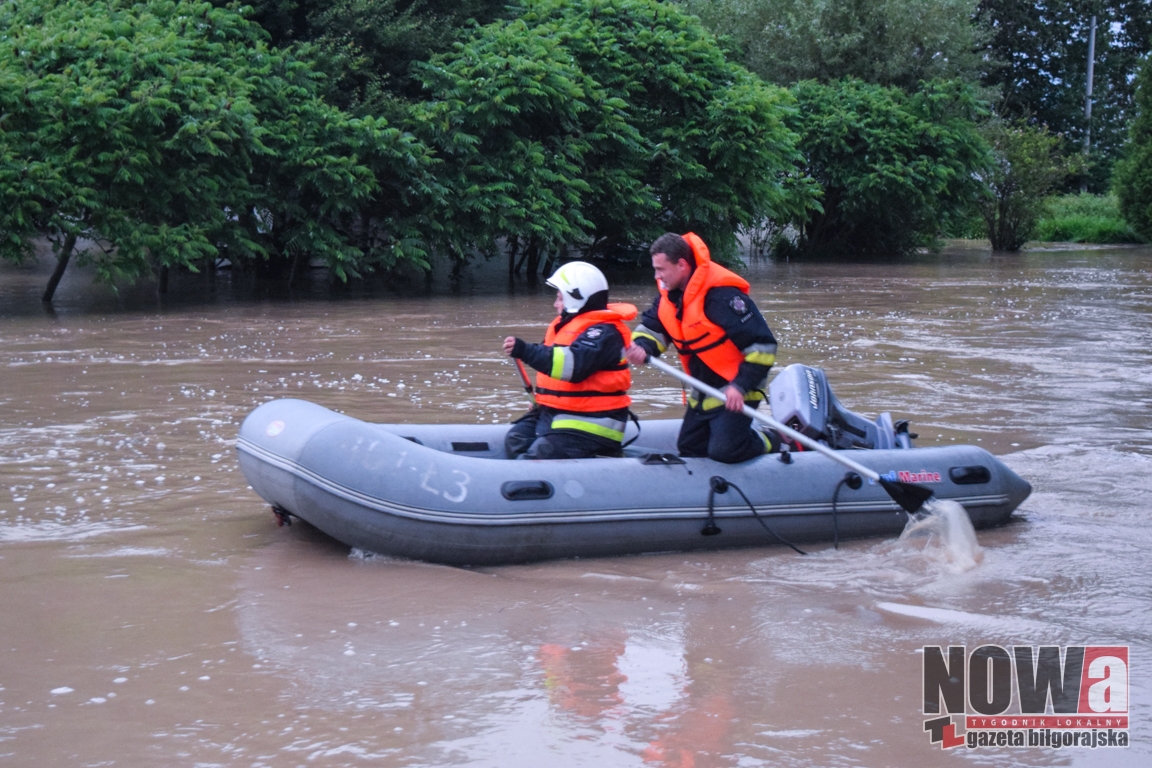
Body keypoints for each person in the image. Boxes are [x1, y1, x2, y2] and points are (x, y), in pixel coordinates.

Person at [624, 232, 780, 463]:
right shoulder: (669, 297)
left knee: (725, 451)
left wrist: (740, 386)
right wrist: (641, 347)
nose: (657, 276)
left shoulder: (722, 298)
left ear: (682, 265)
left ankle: (774, 440)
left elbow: (763, 347)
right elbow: (652, 329)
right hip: (704, 392)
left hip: (737, 390)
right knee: (690, 447)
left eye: (661, 269)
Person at [503, 262, 637, 459]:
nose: (555, 304)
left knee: (542, 452)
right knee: (515, 439)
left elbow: (572, 366)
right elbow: (550, 365)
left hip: (592, 423)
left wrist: (525, 350)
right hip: (556, 413)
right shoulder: (565, 327)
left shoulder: (604, 333)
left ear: (577, 298)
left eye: (559, 298)